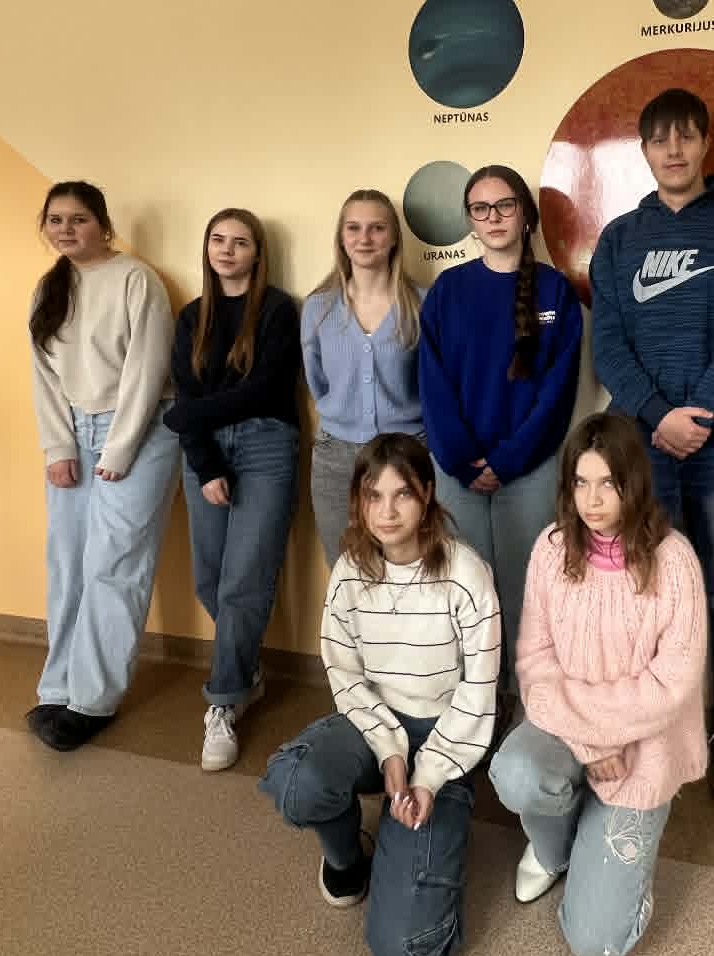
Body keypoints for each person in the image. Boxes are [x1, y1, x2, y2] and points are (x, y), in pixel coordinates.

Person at [588, 87, 714, 810]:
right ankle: (651, 732)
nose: (673, 149)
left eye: (686, 136)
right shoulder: (618, 239)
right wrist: (660, 417)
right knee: (643, 596)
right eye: (660, 139)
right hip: (640, 447)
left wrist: (698, 415)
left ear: (704, 144)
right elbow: (609, 345)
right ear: (643, 150)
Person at [258, 435, 500, 956]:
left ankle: (426, 845)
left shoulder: (466, 573)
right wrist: (390, 751)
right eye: (373, 496)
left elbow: (479, 691)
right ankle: (349, 857)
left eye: (402, 494)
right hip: (371, 727)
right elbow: (344, 672)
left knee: (405, 951)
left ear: (428, 495)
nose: (387, 512)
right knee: (294, 782)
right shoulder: (350, 569)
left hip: (444, 738)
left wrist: (427, 778)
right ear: (358, 501)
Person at [488, 413, 708, 956]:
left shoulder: (674, 561)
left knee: (595, 942)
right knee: (516, 773)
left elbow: (671, 686)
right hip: (567, 734)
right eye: (580, 482)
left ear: (633, 482)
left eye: (607, 483)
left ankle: (612, 852)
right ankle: (556, 848)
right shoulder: (551, 549)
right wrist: (590, 745)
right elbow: (534, 663)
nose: (591, 500)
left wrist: (607, 740)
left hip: (644, 750)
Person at [25, 181, 179, 752]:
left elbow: (148, 369)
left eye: (79, 219)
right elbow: (43, 376)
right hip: (73, 432)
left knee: (114, 566)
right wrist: (58, 448)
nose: (66, 229)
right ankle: (58, 687)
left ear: (103, 225)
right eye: (56, 220)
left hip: (140, 432)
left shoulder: (137, 280)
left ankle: (92, 701)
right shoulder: (48, 289)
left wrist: (118, 450)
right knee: (67, 562)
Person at [418, 164, 584, 672]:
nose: (493, 217)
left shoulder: (555, 292)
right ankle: (475, 701)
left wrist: (508, 461)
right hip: (457, 469)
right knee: (464, 594)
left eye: (504, 205)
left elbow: (557, 394)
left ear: (525, 215)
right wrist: (462, 459)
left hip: (529, 469)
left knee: (526, 593)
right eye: (480, 208)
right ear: (470, 220)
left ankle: (524, 698)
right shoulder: (447, 291)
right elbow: (433, 386)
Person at [165, 208, 300, 772]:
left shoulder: (278, 310)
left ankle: (222, 702)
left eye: (240, 242)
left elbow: (264, 390)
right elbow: (185, 394)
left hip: (268, 444)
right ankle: (245, 667)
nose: (227, 250)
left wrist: (185, 416)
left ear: (257, 253)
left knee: (244, 581)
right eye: (217, 240)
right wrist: (204, 461)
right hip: (205, 452)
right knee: (211, 580)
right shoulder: (191, 317)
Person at [300, 189, 424, 567]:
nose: (364, 238)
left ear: (394, 237)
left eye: (377, 228)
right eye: (353, 228)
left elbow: (434, 384)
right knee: (346, 569)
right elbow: (316, 380)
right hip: (336, 459)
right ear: (341, 237)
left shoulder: (422, 304)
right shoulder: (318, 307)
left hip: (408, 453)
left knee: (409, 569)